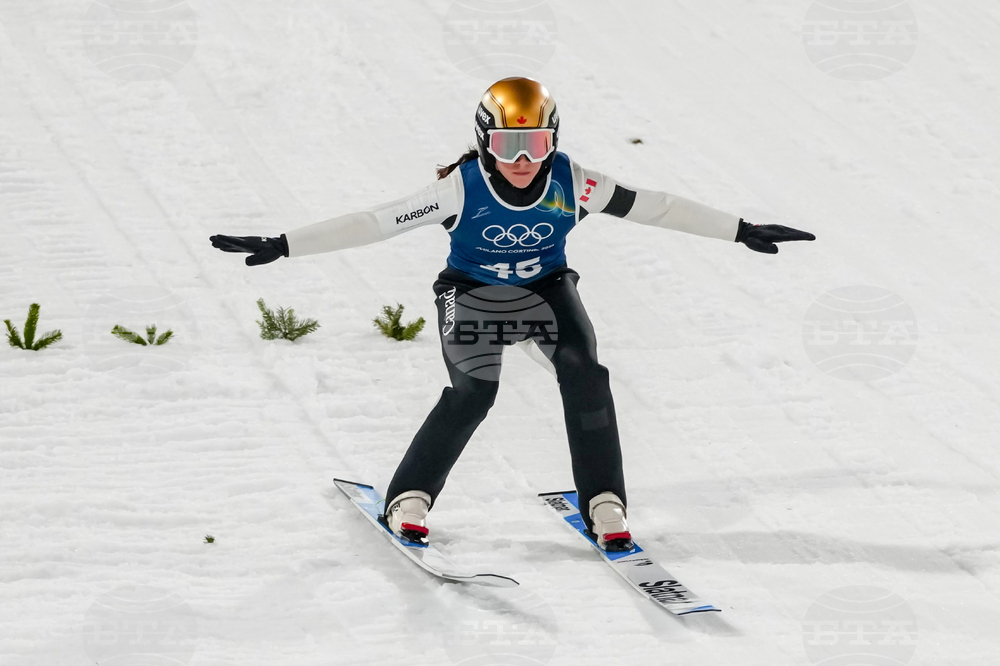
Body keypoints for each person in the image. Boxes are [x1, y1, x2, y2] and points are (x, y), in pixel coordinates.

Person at [210, 77, 815, 552]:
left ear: (554, 140)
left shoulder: (575, 182)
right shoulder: (459, 188)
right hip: (470, 294)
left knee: (586, 373)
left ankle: (605, 502)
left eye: (536, 144)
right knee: (475, 391)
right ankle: (410, 498)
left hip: (546, 291)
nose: (523, 159)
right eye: (507, 145)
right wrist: (283, 242)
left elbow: (653, 207)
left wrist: (740, 231)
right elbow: (373, 222)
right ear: (484, 143)